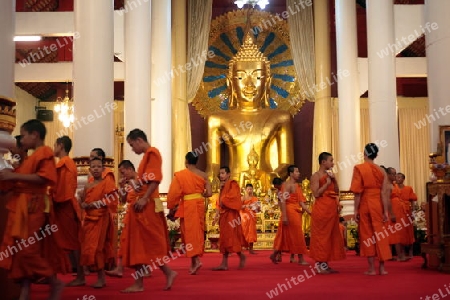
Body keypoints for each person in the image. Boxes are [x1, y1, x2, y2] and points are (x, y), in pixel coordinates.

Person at [0, 119, 64, 300]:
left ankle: (54, 281)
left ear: (35, 135)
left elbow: (45, 178)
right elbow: (23, 178)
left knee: (28, 249)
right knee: (20, 251)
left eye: (24, 135)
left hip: (32, 206)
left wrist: (13, 175)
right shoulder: (33, 157)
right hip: (21, 205)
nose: (21, 140)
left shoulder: (44, 153)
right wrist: (10, 177)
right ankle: (25, 292)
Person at [121, 129, 177, 292]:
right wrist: (130, 182)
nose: (132, 149)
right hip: (141, 205)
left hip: (147, 206)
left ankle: (140, 283)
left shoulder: (152, 153)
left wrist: (145, 197)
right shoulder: (146, 157)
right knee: (140, 244)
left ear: (139, 140)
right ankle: (165, 273)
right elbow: (142, 183)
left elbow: (155, 179)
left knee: (147, 243)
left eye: (132, 145)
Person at [350, 143, 395, 275]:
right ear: (376, 155)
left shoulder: (359, 168)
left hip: (365, 203)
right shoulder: (381, 171)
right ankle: (382, 268)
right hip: (378, 204)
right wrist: (386, 211)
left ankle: (371, 269)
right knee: (380, 234)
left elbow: (357, 192)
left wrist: (355, 210)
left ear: (364, 153)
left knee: (367, 234)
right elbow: (384, 193)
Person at [167, 152, 212, 275]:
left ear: (186, 161)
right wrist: (199, 194)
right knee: (196, 233)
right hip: (199, 204)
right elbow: (209, 193)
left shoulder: (181, 175)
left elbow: (173, 194)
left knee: (189, 234)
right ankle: (193, 262)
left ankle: (196, 261)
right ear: (196, 161)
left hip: (187, 205)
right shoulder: (203, 175)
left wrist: (171, 207)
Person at [79, 157, 117, 288]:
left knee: (98, 248)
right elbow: (83, 201)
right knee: (88, 247)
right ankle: (95, 275)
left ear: (103, 169)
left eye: (98, 167)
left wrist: (96, 204)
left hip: (101, 218)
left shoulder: (106, 183)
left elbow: (111, 199)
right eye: (93, 167)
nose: (96, 169)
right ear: (89, 169)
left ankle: (102, 278)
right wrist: (83, 204)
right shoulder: (88, 185)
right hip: (89, 219)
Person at [52, 136, 84, 286]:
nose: (53, 148)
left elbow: (63, 190)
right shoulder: (64, 164)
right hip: (62, 206)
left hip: (65, 206)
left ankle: (81, 276)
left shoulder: (66, 164)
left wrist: (52, 197)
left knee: (73, 243)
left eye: (55, 145)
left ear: (61, 145)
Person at [309, 152, 346, 274]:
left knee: (330, 236)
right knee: (321, 236)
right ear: (323, 162)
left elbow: (336, 191)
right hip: (321, 209)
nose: (333, 163)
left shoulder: (331, 175)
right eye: (331, 160)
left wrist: (334, 181)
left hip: (331, 209)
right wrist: (326, 184)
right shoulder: (316, 176)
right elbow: (316, 194)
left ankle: (325, 263)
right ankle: (319, 264)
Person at [270, 165, 311, 265]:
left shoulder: (296, 185)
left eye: (298, 171)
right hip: (289, 211)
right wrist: (284, 216)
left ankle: (275, 254)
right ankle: (300, 258)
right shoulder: (287, 185)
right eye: (296, 172)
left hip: (295, 210)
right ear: (291, 173)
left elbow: (301, 201)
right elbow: (283, 200)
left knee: (287, 235)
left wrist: (310, 212)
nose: (299, 173)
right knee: (298, 234)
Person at [105, 159, 135, 278]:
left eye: (123, 173)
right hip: (131, 215)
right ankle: (120, 268)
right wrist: (122, 187)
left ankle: (146, 269)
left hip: (141, 217)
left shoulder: (141, 179)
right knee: (124, 241)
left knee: (141, 244)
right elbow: (122, 200)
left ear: (130, 169)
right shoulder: (128, 183)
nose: (123, 176)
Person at [212, 166, 246, 271]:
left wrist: (223, 200)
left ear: (228, 174)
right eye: (220, 173)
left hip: (231, 215)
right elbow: (219, 202)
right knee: (224, 238)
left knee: (232, 237)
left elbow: (234, 199)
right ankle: (224, 263)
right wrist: (216, 214)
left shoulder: (233, 184)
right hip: (224, 215)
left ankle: (241, 255)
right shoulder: (222, 186)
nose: (221, 175)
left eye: (223, 173)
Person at [396, 172, 418, 259]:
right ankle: (402, 252)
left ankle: (410, 250)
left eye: (399, 177)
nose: (397, 178)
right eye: (396, 177)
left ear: (403, 179)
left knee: (409, 231)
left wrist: (412, 212)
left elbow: (412, 200)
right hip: (398, 212)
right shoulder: (394, 188)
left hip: (407, 211)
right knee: (400, 232)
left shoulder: (408, 188)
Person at [240, 183, 259, 254]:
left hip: (251, 215)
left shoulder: (254, 198)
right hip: (244, 215)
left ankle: (251, 248)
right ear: (245, 190)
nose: (250, 191)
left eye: (251, 189)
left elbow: (257, 210)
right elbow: (238, 207)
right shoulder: (242, 198)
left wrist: (257, 207)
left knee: (252, 231)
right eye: (248, 189)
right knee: (243, 231)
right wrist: (245, 206)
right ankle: (242, 247)